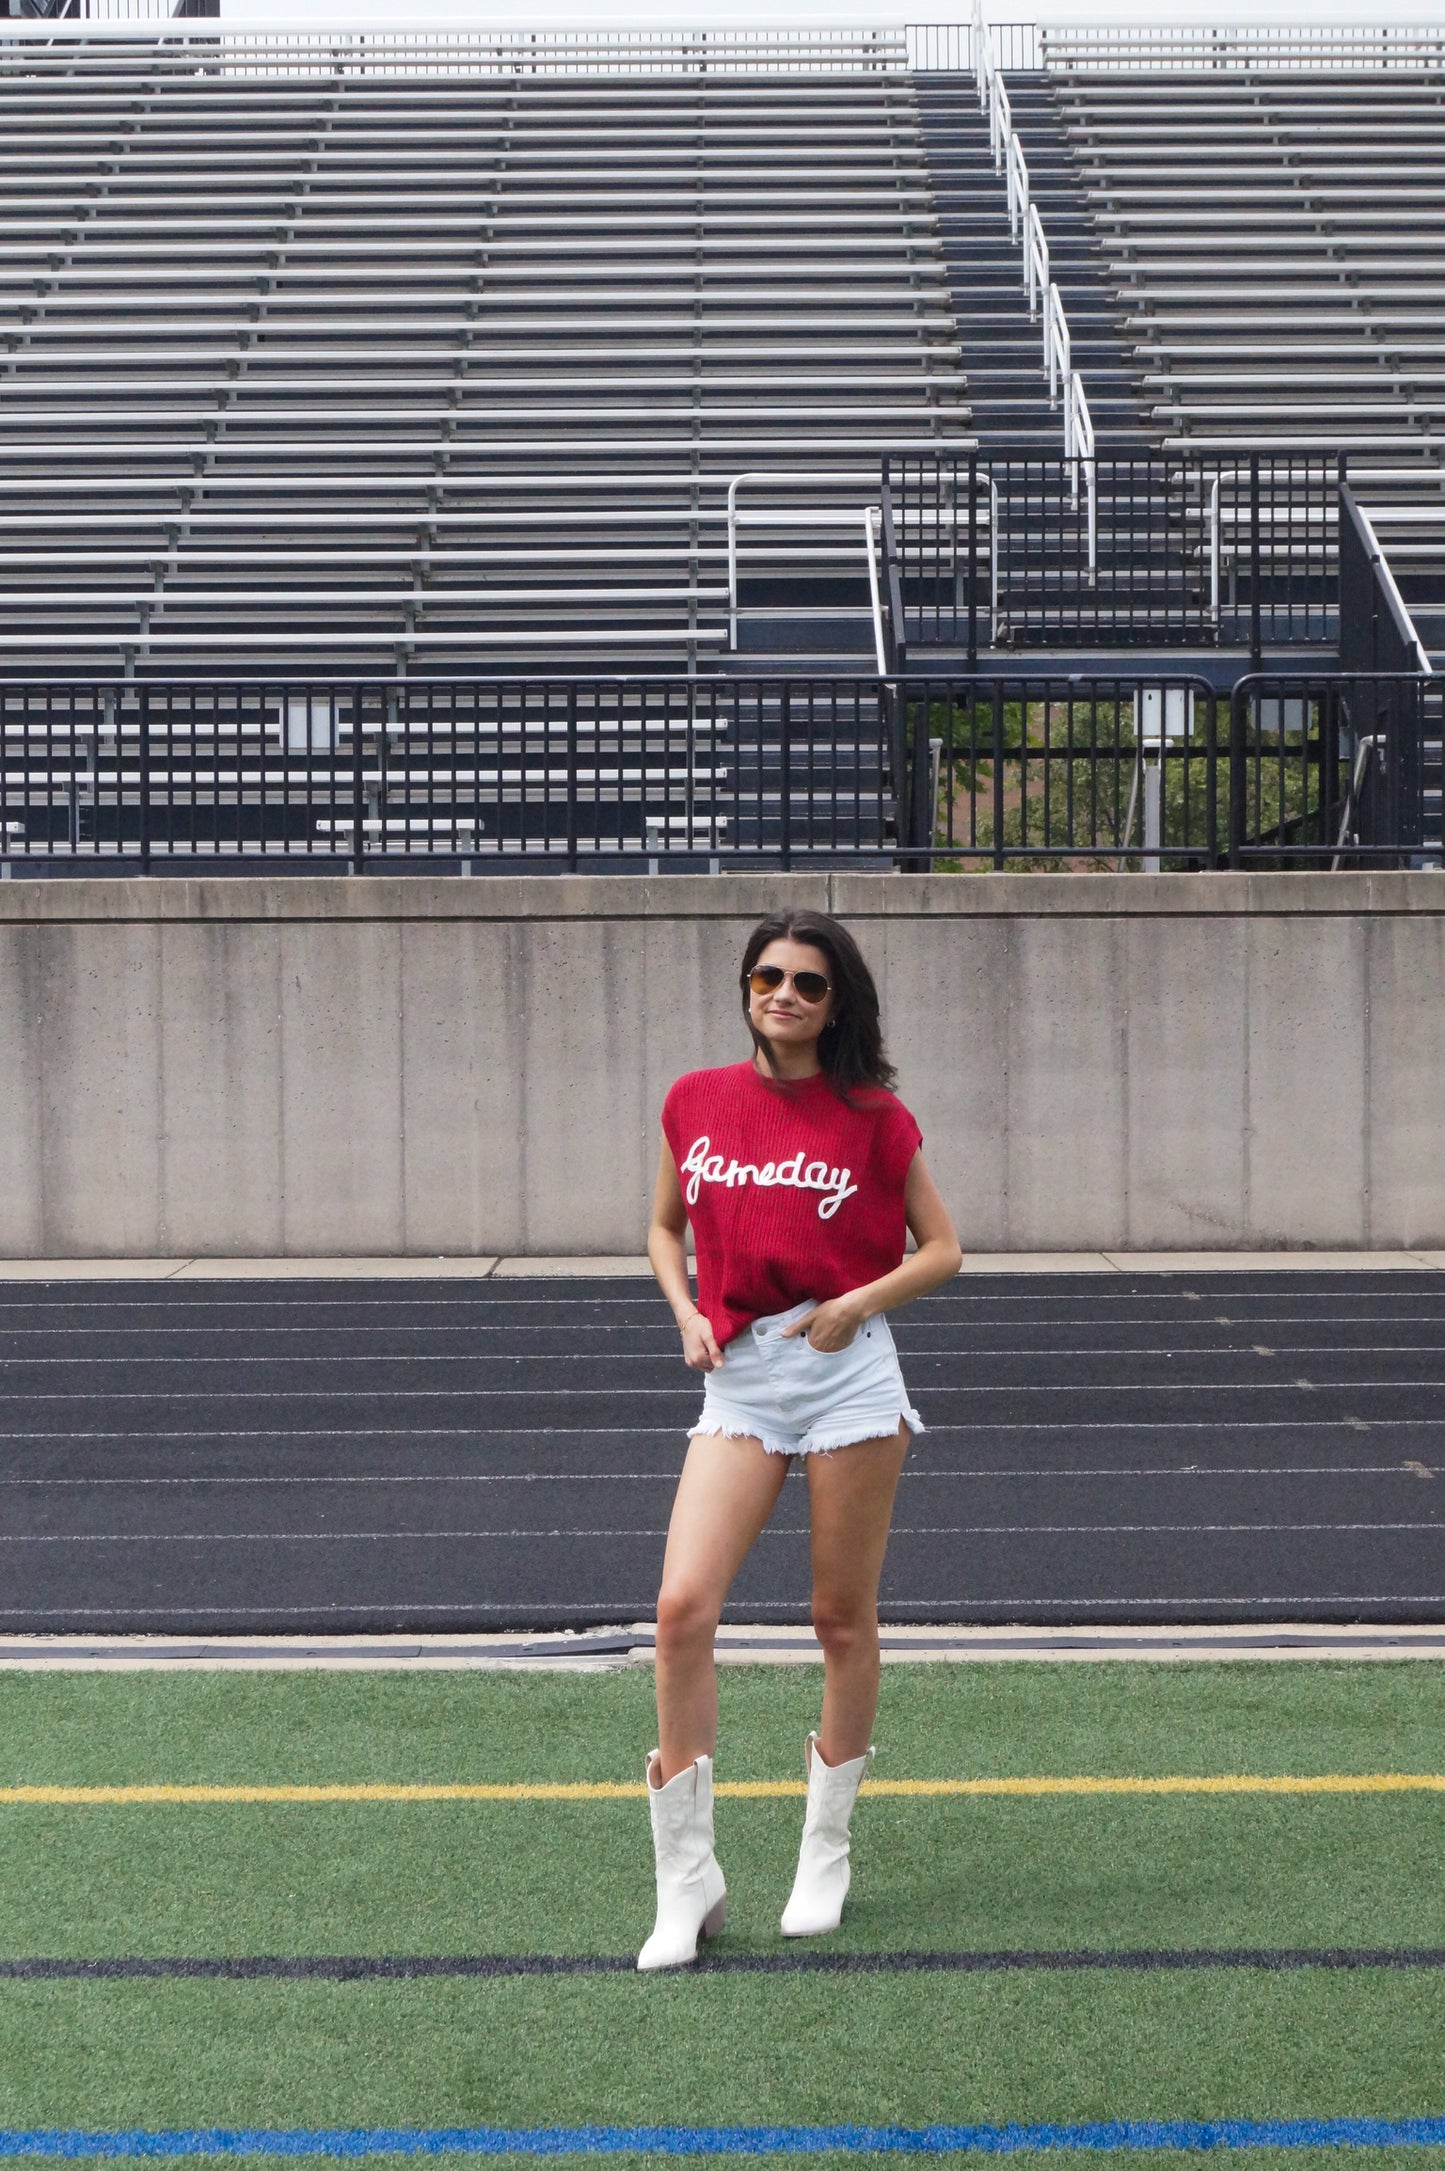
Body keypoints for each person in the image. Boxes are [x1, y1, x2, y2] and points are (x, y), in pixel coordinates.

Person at [639, 906, 963, 1971]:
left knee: (836, 1615)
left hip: (845, 1374)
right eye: (767, 975)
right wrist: (685, 1308)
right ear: (744, 986)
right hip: (740, 1374)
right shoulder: (694, 1101)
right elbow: (661, 1225)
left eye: (807, 982)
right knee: (681, 1607)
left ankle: (824, 1846)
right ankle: (686, 1879)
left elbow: (944, 1247)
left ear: (836, 1003)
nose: (783, 992)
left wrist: (856, 1300)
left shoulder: (872, 1115)